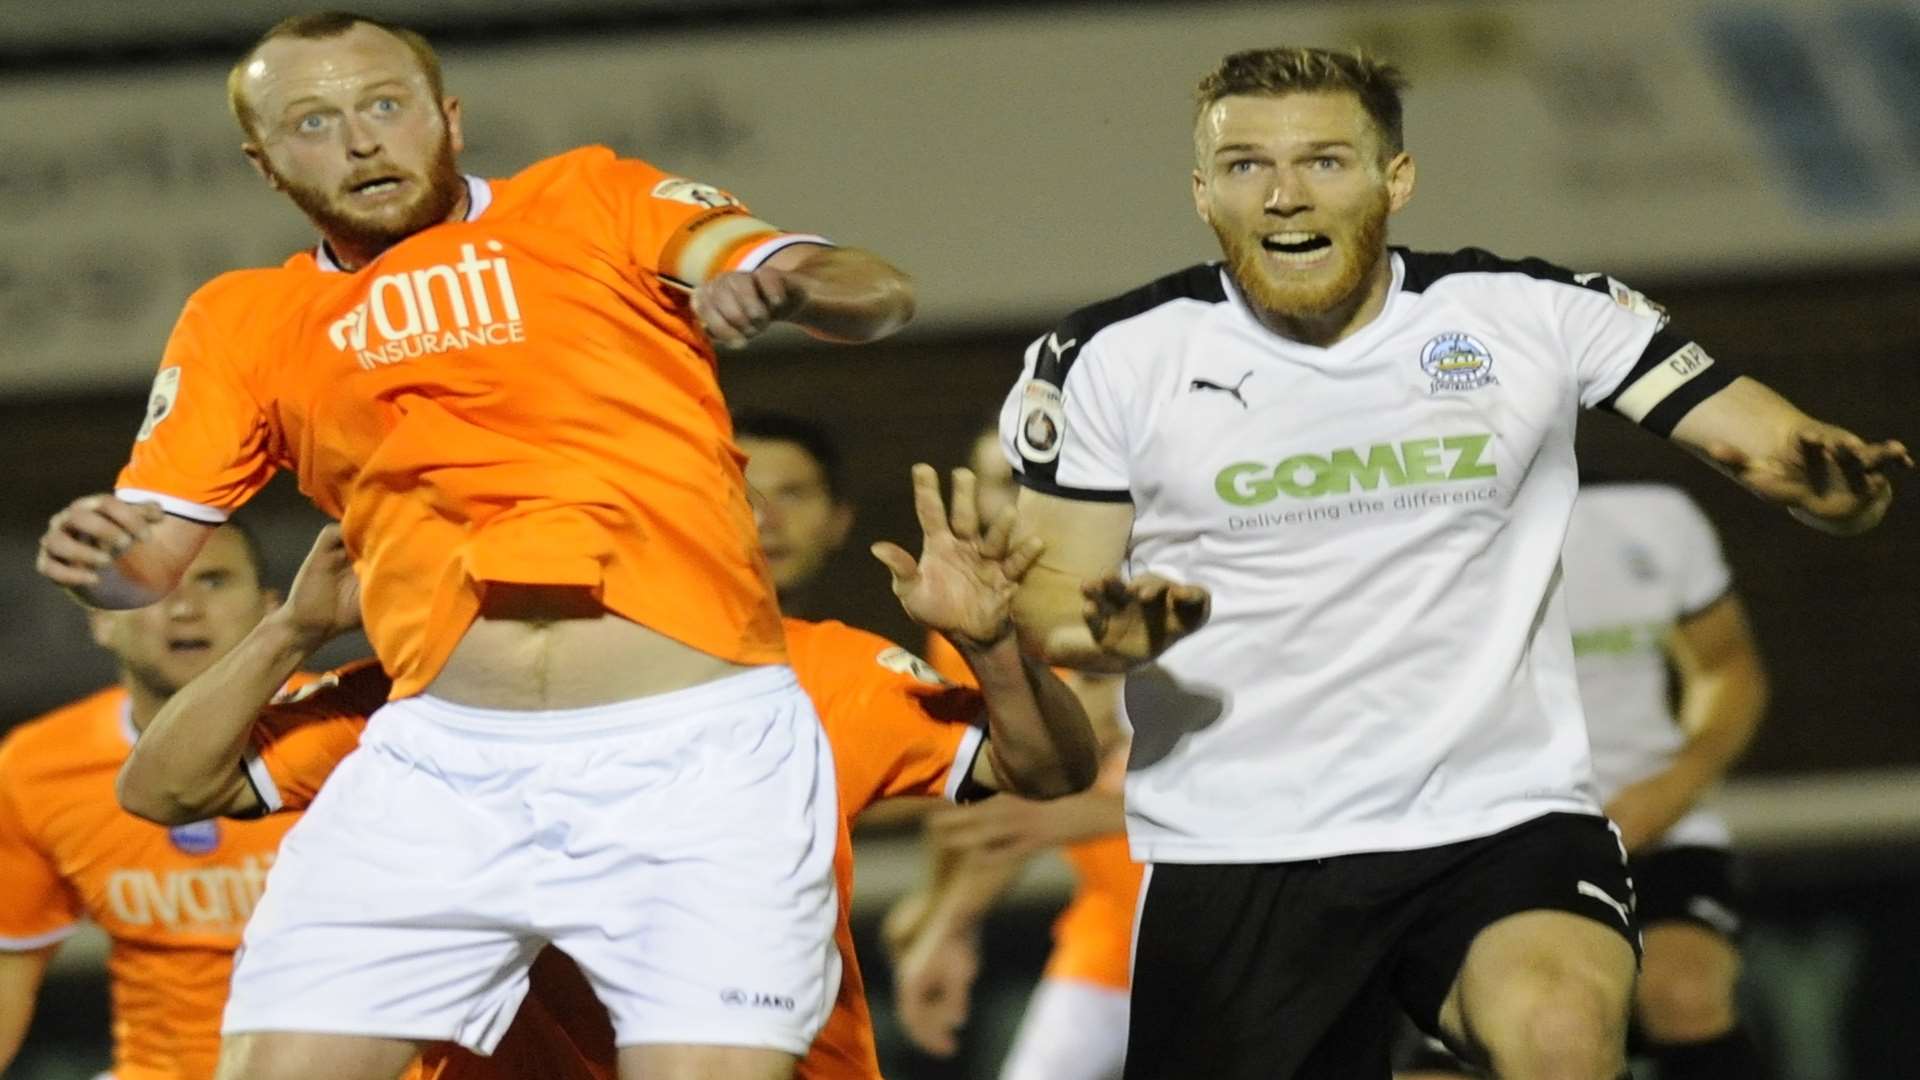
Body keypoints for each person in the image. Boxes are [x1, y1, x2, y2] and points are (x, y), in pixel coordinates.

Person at [34, 12, 921, 1080]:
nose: (361, 141)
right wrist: (98, 554)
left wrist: (791, 286)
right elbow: (150, 563)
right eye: (313, 121)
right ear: (264, 165)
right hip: (440, 764)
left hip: (697, 754)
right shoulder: (243, 318)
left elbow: (872, 292)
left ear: (446, 117)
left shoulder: (595, 198)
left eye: (384, 105)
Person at [998, 46, 1908, 1080]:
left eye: (1326, 162)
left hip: (1502, 818)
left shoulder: (1534, 315)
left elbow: (1780, 449)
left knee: (1561, 1031)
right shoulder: (1111, 358)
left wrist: (1839, 495)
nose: (1287, 194)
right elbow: (1049, 602)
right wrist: (1104, 633)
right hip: (1241, 843)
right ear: (1203, 194)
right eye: (1247, 166)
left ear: (1396, 180)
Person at [118, 465, 1098, 1080]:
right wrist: (291, 628)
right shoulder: (424, 697)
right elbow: (160, 789)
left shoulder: (822, 675)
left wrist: (998, 646)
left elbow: (1048, 773)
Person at [1397, 480, 1771, 1079]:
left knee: (1682, 990)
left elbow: (1728, 668)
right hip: (1497, 851)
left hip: (1654, 838)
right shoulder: (1407, 528)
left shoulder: (1654, 515)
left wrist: (1672, 789)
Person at [0, 524, 300, 1079]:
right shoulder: (34, 768)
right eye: (153, 586)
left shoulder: (359, 733)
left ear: (270, 609)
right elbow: (9, 970)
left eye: (214, 581)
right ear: (102, 619)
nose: (185, 607)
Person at [888, 422, 1137, 1080]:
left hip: (1222, 918)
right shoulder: (975, 626)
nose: (1006, 504)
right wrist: (938, 906)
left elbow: (1044, 787)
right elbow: (979, 792)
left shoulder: (1137, 593)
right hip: (1111, 922)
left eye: (1030, 482)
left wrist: (947, 922)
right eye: (994, 482)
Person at [735, 410, 858, 611]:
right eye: (740, 498)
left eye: (792, 496)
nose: (766, 521)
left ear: (840, 519)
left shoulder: (872, 642)